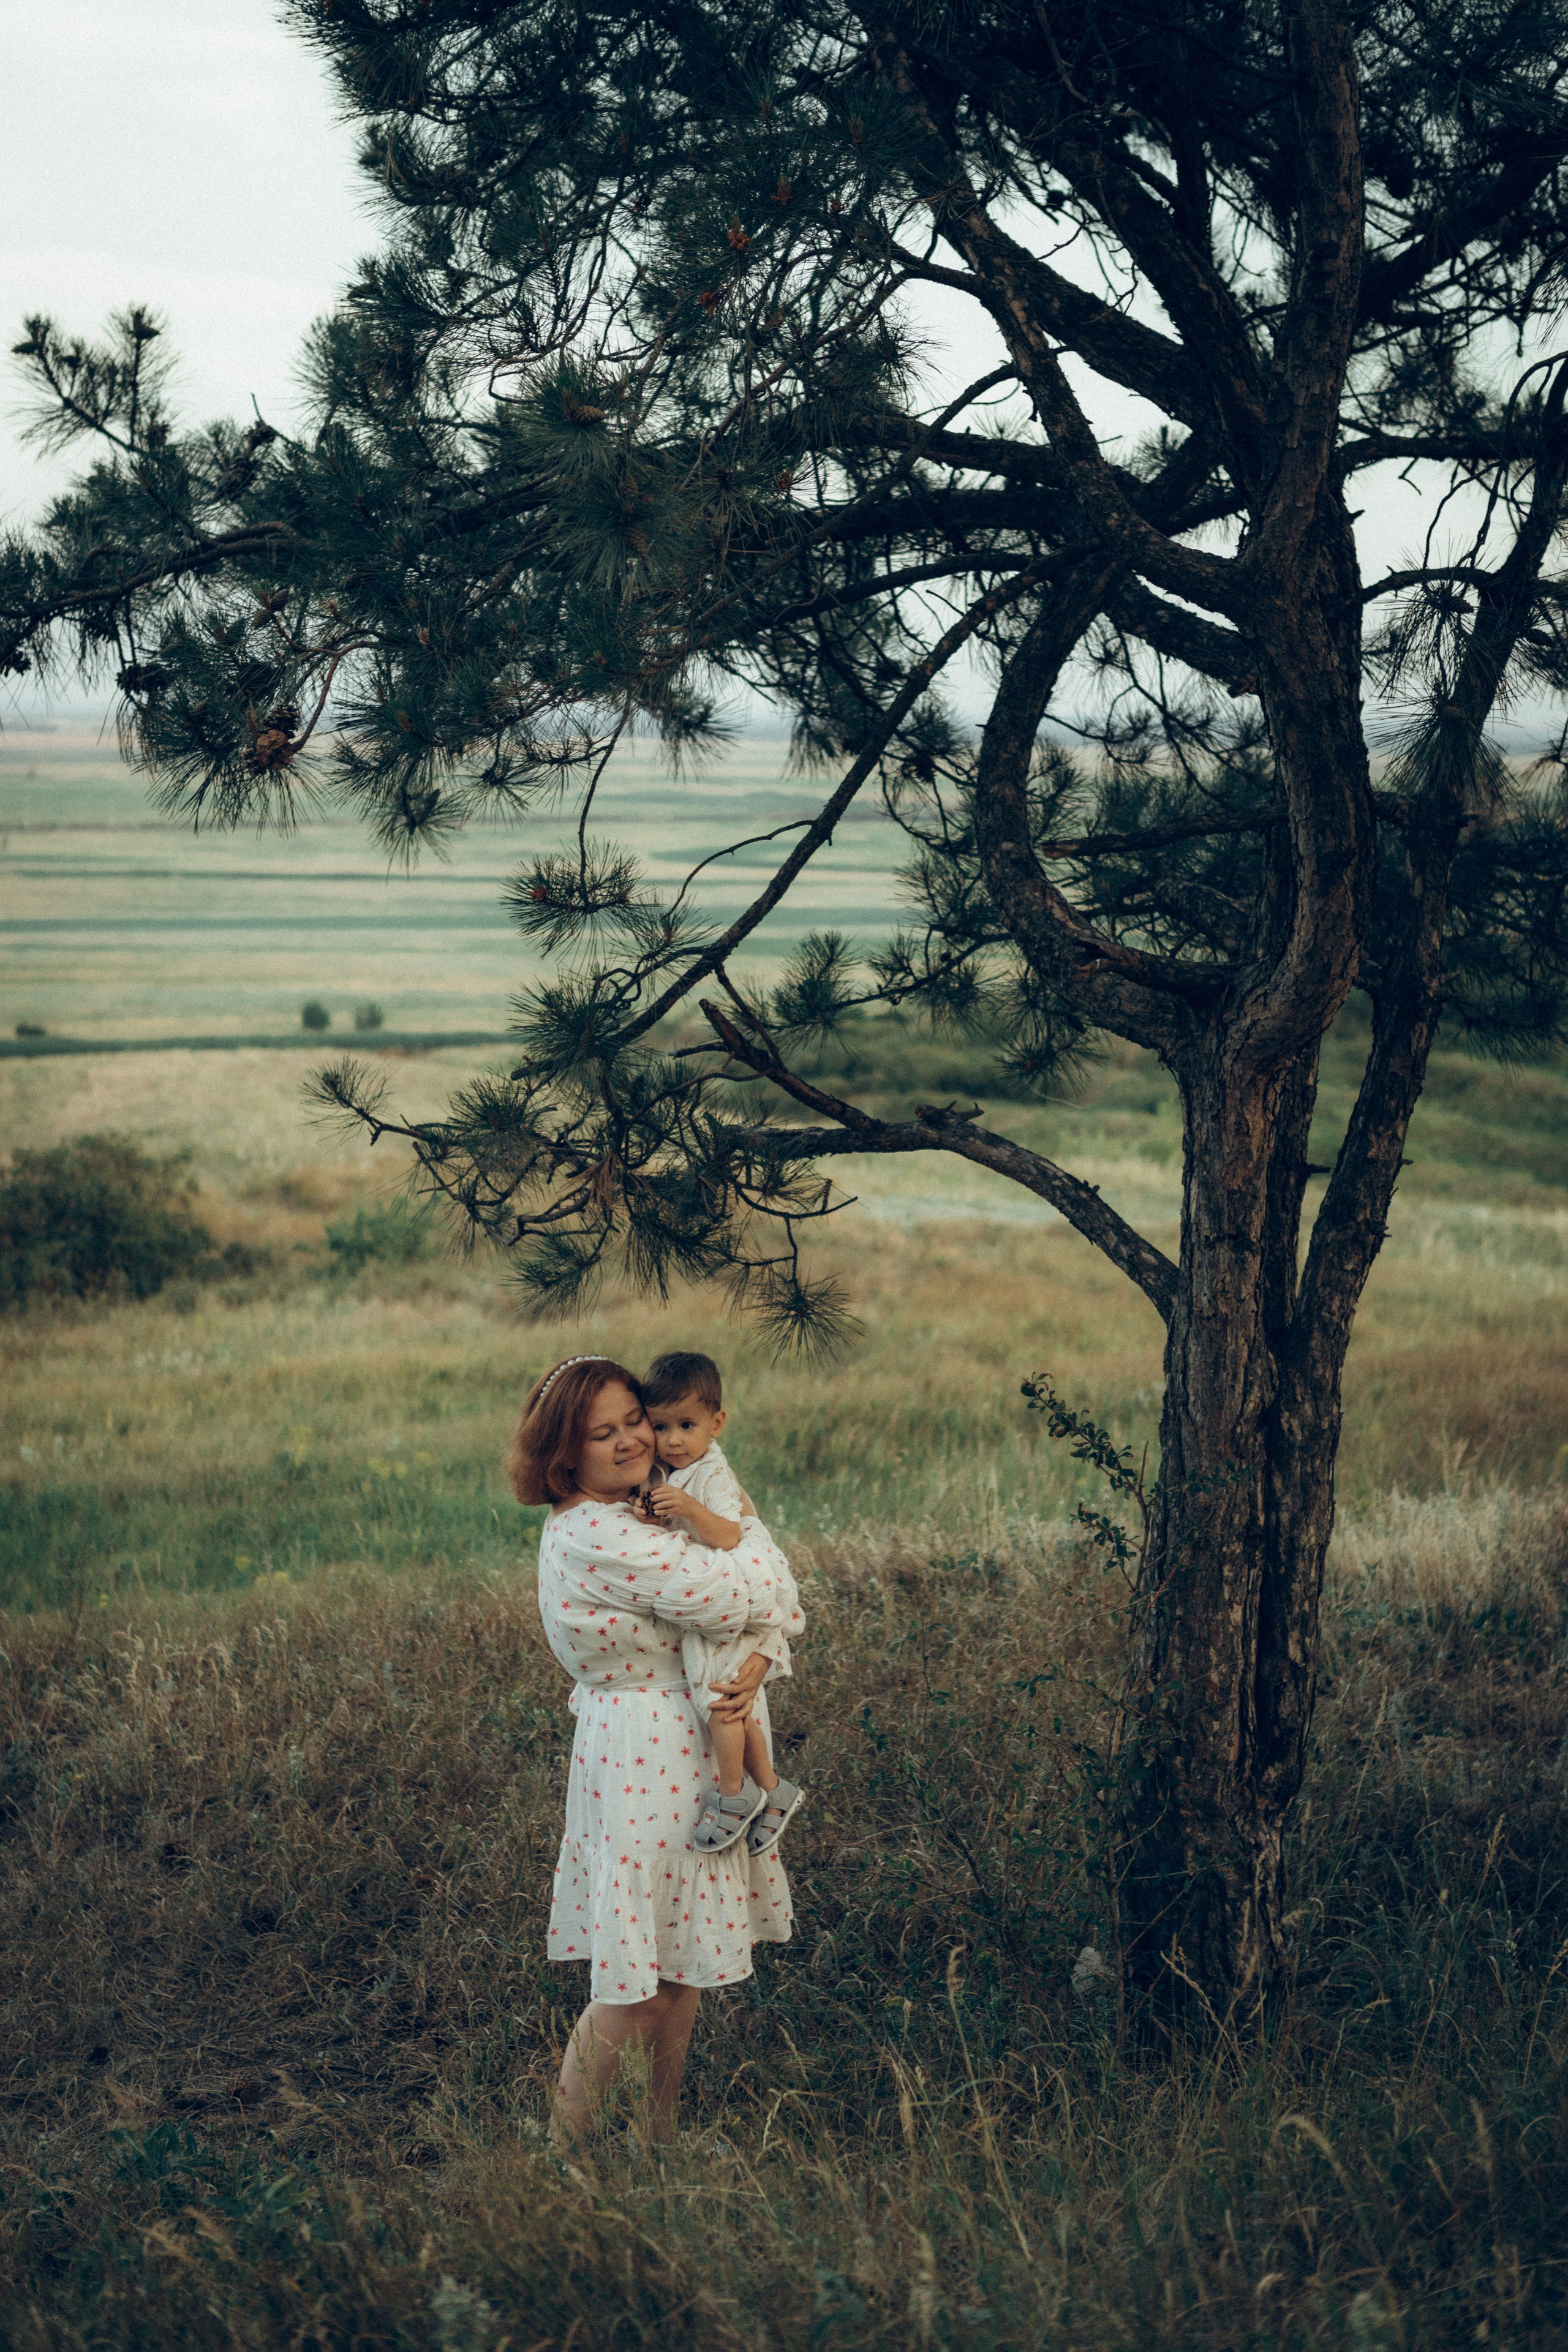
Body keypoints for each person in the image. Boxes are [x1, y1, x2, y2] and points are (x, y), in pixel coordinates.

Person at [510, 1354, 797, 2144]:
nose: (632, 1440)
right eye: (602, 1434)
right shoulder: (596, 1532)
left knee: (682, 1965)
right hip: (641, 1751)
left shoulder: (650, 1506)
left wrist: (763, 1645)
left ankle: (656, 2138)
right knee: (634, 1980)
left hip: (690, 1741)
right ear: (564, 1456)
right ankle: (564, 2152)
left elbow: (775, 1593)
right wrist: (752, 1560)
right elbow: (755, 1589)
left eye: (634, 1419)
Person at [639, 1350, 805, 1858]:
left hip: (739, 1595)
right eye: (661, 1426)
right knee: (738, 1701)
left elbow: (732, 1534)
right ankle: (775, 1789)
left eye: (687, 1425)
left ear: (717, 1424)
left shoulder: (711, 1473)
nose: (673, 1440)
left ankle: (734, 1795)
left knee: (720, 1704)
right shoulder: (667, 1468)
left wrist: (688, 1508)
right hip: (722, 1600)